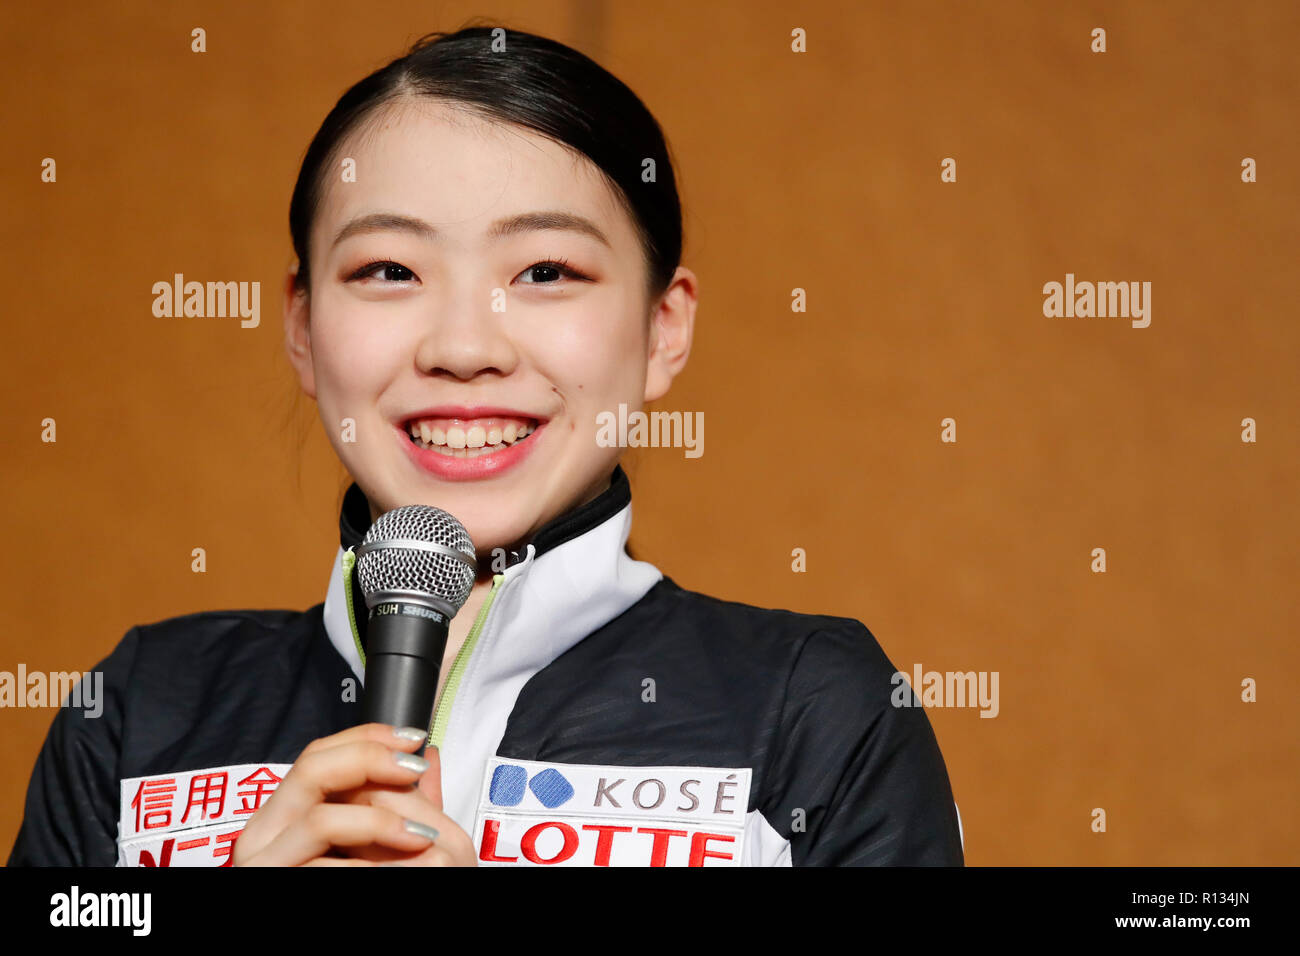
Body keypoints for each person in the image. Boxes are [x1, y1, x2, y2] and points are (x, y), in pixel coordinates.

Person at [7, 24, 964, 868]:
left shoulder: (815, 711)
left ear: (662, 330)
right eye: (389, 269)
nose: (464, 347)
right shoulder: (140, 716)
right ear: (302, 327)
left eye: (546, 270)